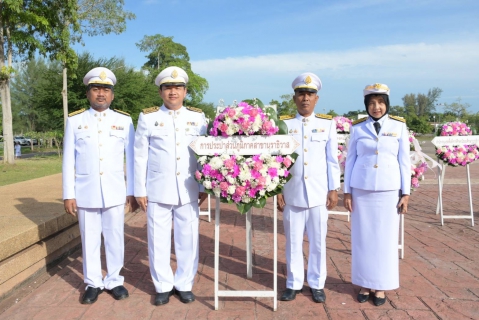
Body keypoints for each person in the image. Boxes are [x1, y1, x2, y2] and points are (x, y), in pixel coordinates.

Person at [62, 67, 137, 304]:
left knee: (115, 237)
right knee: (90, 238)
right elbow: (67, 161)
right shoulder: (75, 121)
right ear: (88, 93)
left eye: (106, 89)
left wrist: (132, 191)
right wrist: (68, 194)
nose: (101, 94)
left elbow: (132, 159)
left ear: (112, 95)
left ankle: (115, 280)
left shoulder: (124, 121)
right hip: (86, 191)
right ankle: (93, 283)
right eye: (96, 89)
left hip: (115, 190)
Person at [134, 66, 207, 306]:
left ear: (185, 91)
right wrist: (139, 190)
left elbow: (205, 155)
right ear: (160, 92)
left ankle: (184, 283)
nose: (172, 92)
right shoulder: (148, 117)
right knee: (158, 239)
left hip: (188, 187)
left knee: (188, 238)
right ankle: (163, 285)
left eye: (177, 87)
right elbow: (140, 156)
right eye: (167, 87)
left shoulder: (198, 117)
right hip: (157, 188)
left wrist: (205, 187)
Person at [343, 83, 411, 306]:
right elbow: (351, 160)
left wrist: (406, 193)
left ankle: (381, 285)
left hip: (388, 191)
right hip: (361, 191)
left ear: (386, 104)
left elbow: (404, 161)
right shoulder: (358, 127)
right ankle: (364, 283)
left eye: (380, 103)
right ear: (366, 105)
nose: (376, 107)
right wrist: (348, 192)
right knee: (362, 239)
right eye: (371, 103)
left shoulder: (398, 126)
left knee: (385, 240)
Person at [277, 72, 341, 303]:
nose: (305, 98)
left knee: (318, 241)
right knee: (293, 241)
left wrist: (333, 189)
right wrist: (277, 191)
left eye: (310, 94)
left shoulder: (327, 124)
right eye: (301, 94)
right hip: (291, 192)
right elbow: (277, 161)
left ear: (317, 98)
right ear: (294, 98)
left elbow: (332, 160)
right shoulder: (284, 124)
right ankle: (293, 283)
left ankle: (316, 283)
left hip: (318, 193)